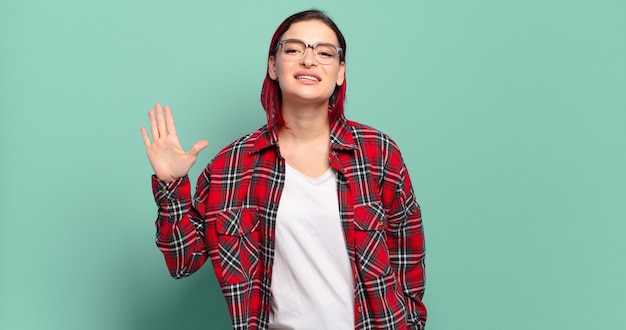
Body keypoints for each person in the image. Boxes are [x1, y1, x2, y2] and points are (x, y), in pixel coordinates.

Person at [140, 9, 426, 330]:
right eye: (293, 49)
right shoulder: (233, 165)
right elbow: (183, 260)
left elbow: (408, 258)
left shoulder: (378, 153)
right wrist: (171, 184)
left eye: (324, 52)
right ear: (273, 66)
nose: (308, 60)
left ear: (340, 72)